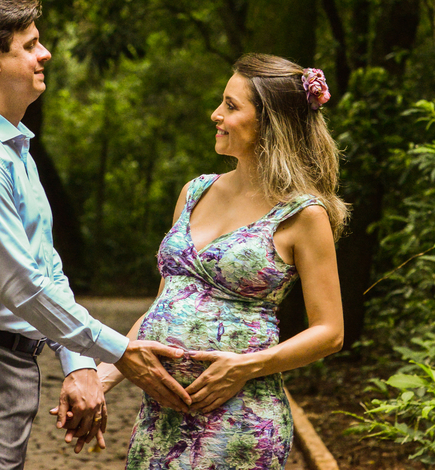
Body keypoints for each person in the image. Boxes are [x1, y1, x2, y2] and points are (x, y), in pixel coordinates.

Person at [0, 0, 190, 470]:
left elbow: (46, 268)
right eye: (31, 44)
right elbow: (19, 284)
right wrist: (120, 352)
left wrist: (80, 364)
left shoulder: (13, 149)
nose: (46, 54)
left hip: (6, 365)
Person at [95, 53, 347, 470]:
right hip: (161, 419)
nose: (216, 114)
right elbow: (164, 304)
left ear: (269, 123)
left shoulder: (303, 214)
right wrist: (102, 376)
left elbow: (330, 332)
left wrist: (244, 366)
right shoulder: (194, 192)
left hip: (239, 424)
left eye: (231, 106)